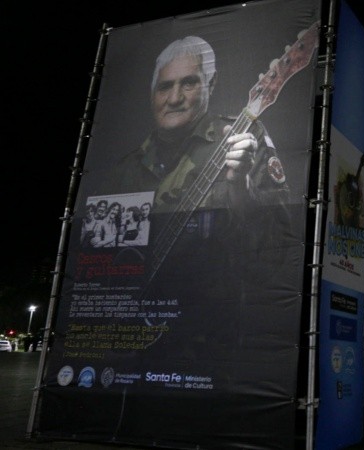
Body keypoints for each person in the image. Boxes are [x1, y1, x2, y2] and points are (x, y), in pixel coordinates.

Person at [89, 35, 292, 356]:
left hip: (209, 348)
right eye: (164, 86)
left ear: (210, 85)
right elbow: (96, 266)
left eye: (189, 83)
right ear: (151, 94)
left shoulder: (243, 137)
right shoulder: (123, 172)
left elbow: (273, 259)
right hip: (125, 348)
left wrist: (241, 189)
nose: (174, 98)